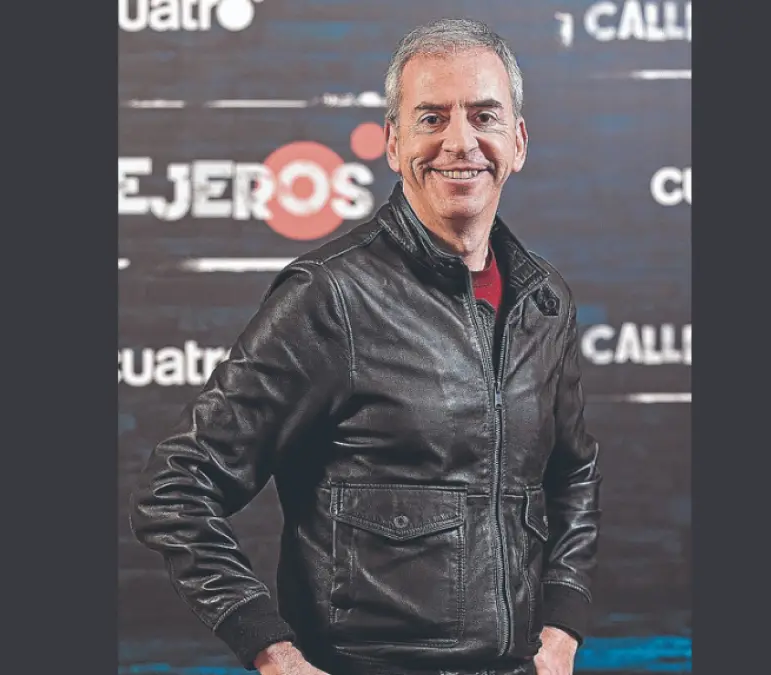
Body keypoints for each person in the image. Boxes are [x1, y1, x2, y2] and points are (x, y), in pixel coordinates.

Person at [129, 17, 601, 675]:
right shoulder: (330, 296)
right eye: (431, 118)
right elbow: (177, 486)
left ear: (516, 142)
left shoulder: (543, 300)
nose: (459, 141)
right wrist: (273, 652)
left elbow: (573, 472)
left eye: (483, 117)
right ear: (393, 143)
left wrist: (563, 623)